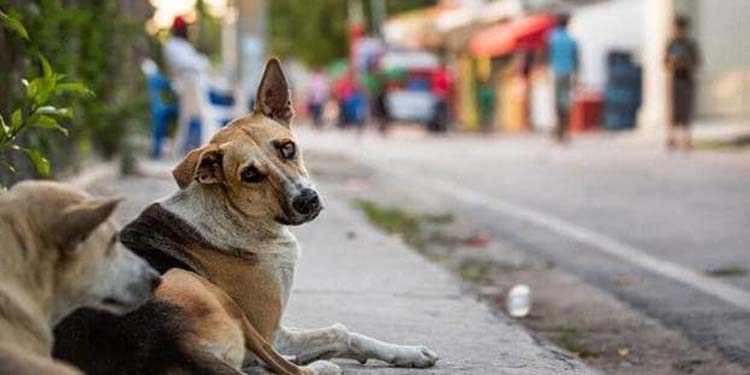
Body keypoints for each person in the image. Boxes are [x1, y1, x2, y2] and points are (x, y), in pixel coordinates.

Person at [163, 16, 210, 154]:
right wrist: (200, 63)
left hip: (197, 86)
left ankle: (194, 145)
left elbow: (200, 63)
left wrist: (200, 63)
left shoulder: (185, 45)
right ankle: (193, 147)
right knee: (201, 116)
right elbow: (188, 64)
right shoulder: (172, 45)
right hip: (186, 88)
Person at [664, 16, 702, 151]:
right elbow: (665, 62)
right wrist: (673, 63)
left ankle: (687, 139)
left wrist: (687, 65)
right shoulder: (671, 44)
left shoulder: (690, 45)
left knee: (686, 110)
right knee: (675, 110)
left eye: (680, 29)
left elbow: (698, 62)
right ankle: (672, 138)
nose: (677, 32)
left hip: (687, 79)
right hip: (675, 79)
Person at [546, 13, 579, 143]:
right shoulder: (571, 39)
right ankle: (565, 129)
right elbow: (576, 58)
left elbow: (546, 55)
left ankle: (559, 129)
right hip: (568, 73)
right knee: (566, 101)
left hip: (555, 72)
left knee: (556, 102)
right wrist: (577, 74)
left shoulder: (552, 38)